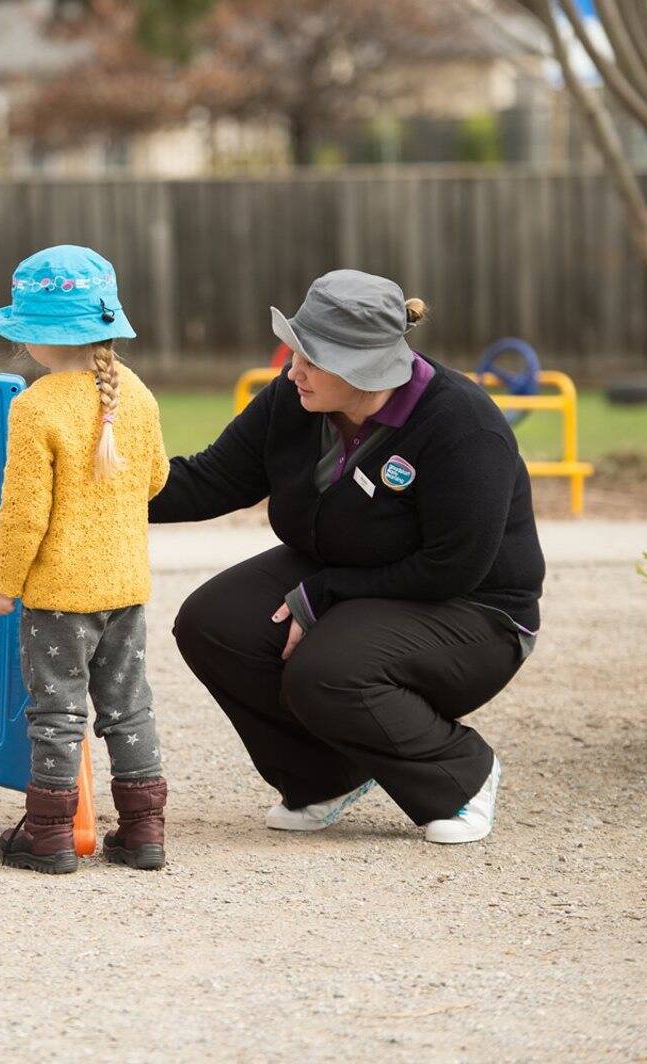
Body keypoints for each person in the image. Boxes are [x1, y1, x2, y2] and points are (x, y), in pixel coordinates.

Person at [150, 270, 544, 844]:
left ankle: (460, 774)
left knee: (329, 672)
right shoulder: (294, 399)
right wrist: (94, 495)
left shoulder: (463, 424)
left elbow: (453, 567)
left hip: (474, 610)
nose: (292, 369)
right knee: (214, 623)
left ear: (364, 368)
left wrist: (325, 593)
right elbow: (210, 480)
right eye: (297, 351)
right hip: (354, 574)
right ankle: (323, 779)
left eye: (311, 359)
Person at [0, 245, 171, 873]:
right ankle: (145, 833)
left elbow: (25, 515)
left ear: (34, 336)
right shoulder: (135, 393)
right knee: (128, 706)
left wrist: (3, 584)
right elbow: (156, 479)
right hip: (125, 588)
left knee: (57, 712)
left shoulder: (35, 407)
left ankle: (50, 836)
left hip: (59, 597)